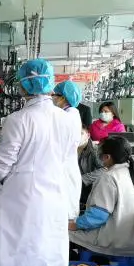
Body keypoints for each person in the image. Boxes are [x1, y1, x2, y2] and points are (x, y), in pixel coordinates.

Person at [0, 59, 79, 266]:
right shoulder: (67, 120)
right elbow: (66, 159)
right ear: (49, 85)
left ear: (24, 86)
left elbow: (3, 163)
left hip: (22, 200)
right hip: (55, 198)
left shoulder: (18, 120)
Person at [70, 135, 134, 258]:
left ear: (107, 157)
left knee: (63, 232)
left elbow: (97, 217)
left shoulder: (109, 177)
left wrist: (74, 225)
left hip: (113, 241)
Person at [52, 80, 83, 220]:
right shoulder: (70, 113)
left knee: (64, 215)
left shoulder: (67, 116)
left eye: (55, 95)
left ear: (63, 98)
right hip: (66, 167)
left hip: (64, 169)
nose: (52, 98)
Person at [77, 104, 104, 207]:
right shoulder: (67, 150)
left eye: (81, 133)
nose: (77, 136)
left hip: (87, 192)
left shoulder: (95, 151)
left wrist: (84, 179)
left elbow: (105, 169)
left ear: (88, 135)